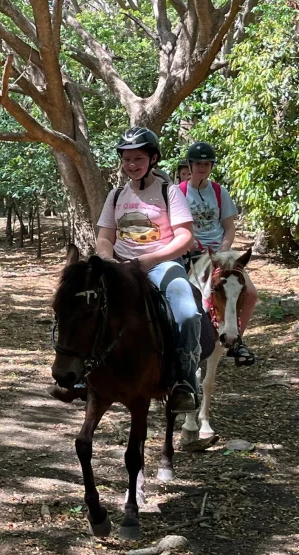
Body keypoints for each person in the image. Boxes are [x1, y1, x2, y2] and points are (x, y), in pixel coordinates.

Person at [95, 127, 200, 412]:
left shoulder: (169, 192)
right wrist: (108, 259)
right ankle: (81, 375)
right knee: (83, 304)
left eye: (138, 158)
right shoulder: (115, 196)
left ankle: (184, 382)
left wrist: (148, 261)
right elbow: (105, 237)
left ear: (153, 159)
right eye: (127, 159)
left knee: (188, 313)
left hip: (162, 265)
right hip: (120, 267)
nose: (132, 165)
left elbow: (185, 237)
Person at [179, 141, 257, 365]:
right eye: (198, 163)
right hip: (191, 252)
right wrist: (189, 240)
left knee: (250, 293)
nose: (202, 167)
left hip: (221, 252)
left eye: (206, 163)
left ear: (211, 166)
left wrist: (224, 248)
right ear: (190, 165)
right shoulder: (179, 192)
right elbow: (176, 224)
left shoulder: (219, 191)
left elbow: (229, 226)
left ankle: (237, 339)